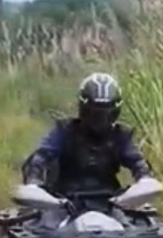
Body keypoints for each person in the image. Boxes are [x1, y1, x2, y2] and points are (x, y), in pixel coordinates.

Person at [21, 72, 154, 197]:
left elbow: (138, 162)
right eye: (95, 113)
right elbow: (41, 157)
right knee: (41, 220)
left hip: (110, 203)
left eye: (106, 113)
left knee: (143, 220)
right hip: (63, 203)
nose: (101, 119)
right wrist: (34, 181)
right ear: (84, 110)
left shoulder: (121, 136)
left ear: (115, 112)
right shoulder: (64, 131)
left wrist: (145, 179)